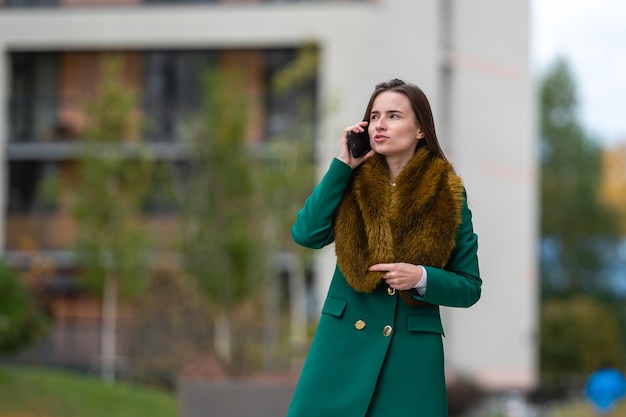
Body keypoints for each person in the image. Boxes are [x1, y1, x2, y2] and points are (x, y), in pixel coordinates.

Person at [286, 79, 482, 417]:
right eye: (374, 115)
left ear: (420, 129)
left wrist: (421, 277)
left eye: (393, 116)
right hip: (341, 350)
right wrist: (341, 164)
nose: (380, 124)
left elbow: (469, 287)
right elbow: (306, 234)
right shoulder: (348, 180)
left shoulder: (448, 193)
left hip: (409, 361)